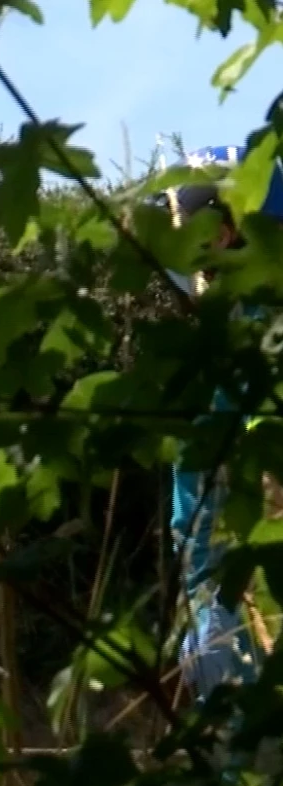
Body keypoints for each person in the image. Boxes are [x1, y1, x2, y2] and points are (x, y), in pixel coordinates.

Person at [164, 144, 283, 702]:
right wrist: (204, 610)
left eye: (185, 222)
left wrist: (215, 607)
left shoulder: (260, 337)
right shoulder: (221, 339)